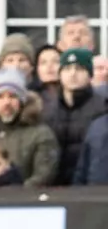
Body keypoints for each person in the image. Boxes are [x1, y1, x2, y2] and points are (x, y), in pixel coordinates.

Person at [41, 48, 105, 185]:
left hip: (89, 187)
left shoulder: (102, 108)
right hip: (54, 186)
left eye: (79, 69)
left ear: (90, 75)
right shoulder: (48, 110)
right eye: (67, 69)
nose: (73, 74)